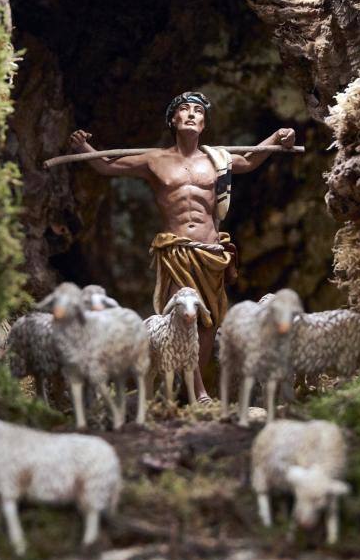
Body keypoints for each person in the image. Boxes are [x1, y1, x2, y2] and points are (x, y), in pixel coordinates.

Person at [69, 91, 295, 403]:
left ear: (204, 123)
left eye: (197, 111)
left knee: (207, 322)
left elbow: (251, 159)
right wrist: (84, 148)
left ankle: (189, 390)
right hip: (176, 250)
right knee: (182, 317)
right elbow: (107, 166)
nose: (191, 115)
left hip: (211, 251)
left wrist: (277, 137)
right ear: (173, 120)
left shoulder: (217, 160)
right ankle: (199, 392)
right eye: (184, 110)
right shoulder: (154, 160)